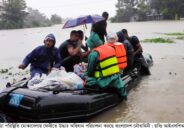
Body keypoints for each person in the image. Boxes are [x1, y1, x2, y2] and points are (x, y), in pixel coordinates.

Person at [85, 31, 127, 98]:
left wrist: (85, 75)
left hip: (103, 81)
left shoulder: (93, 54)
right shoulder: (111, 48)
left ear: (91, 44)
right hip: (115, 78)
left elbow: (90, 72)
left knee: (87, 80)